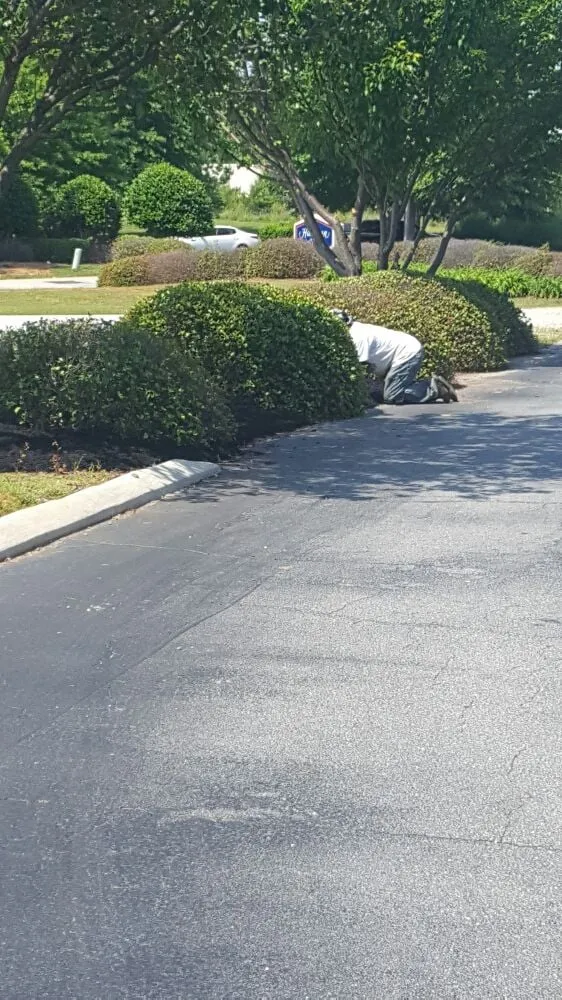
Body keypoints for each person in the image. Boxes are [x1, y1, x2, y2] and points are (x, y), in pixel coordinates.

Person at [331, 309, 457, 404]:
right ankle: (420, 387)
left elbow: (359, 368)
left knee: (392, 396)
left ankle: (436, 388)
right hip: (397, 356)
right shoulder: (354, 330)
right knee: (386, 391)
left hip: (408, 352)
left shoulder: (357, 337)